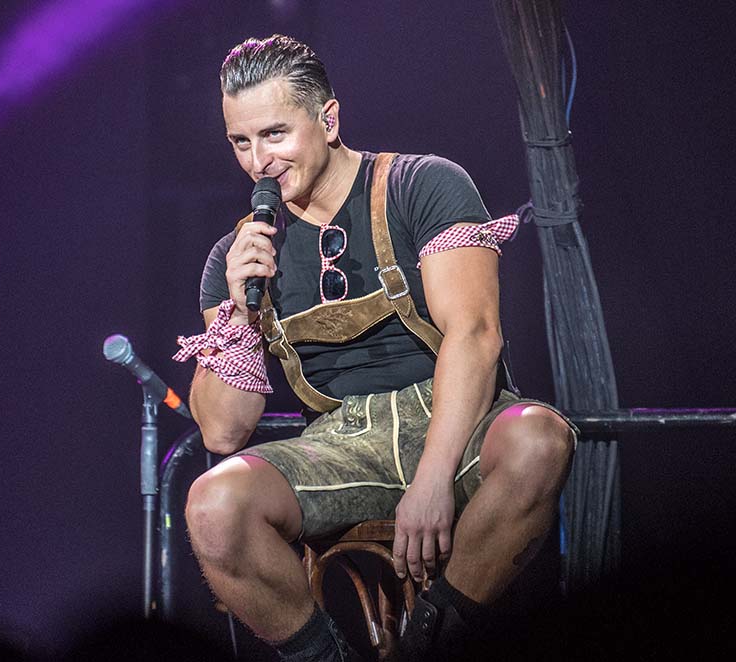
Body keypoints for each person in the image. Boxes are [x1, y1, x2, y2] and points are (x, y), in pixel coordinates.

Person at [173, 34, 577, 662]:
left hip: (455, 419)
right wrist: (238, 311)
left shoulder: (422, 186)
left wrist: (433, 477)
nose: (259, 161)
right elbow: (224, 431)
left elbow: (475, 336)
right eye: (241, 142)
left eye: (275, 134)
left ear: (328, 119)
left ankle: (431, 642)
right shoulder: (235, 256)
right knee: (213, 503)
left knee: (540, 440)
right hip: (338, 444)